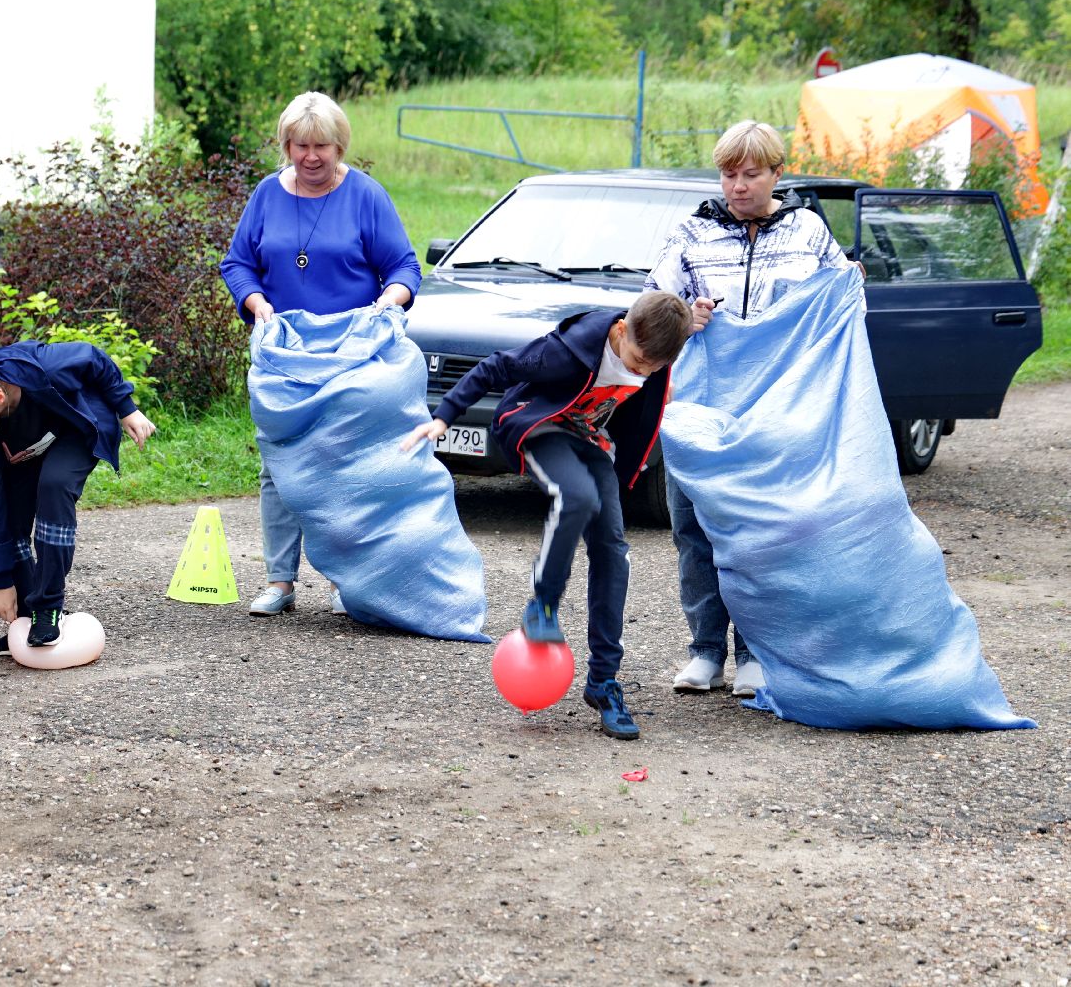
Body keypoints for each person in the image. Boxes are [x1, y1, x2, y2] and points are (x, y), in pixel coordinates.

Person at [400, 290, 694, 739]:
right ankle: (542, 605)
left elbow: (673, 332)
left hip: (590, 438)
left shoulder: (654, 350)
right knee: (576, 497)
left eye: (652, 368)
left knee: (614, 551)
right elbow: (495, 366)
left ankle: (603, 682)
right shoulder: (566, 353)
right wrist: (444, 417)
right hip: (540, 427)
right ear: (620, 331)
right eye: (637, 360)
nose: (641, 372)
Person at [644, 119, 857, 698]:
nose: (738, 185)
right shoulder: (690, 233)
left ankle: (757, 655)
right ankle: (705, 652)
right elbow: (648, 304)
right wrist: (683, 313)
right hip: (697, 409)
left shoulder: (808, 232)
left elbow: (841, 298)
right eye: (728, 174)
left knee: (764, 534)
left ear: (776, 174)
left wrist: (852, 282)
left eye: (751, 174)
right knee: (695, 531)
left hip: (774, 412)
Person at [219, 91, 423, 617]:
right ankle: (279, 582)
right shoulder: (266, 194)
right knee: (278, 467)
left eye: (322, 146)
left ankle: (343, 580)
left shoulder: (366, 195)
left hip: (350, 353)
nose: (310, 157)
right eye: (299, 145)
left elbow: (404, 266)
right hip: (283, 353)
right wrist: (257, 304)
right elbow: (238, 264)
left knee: (342, 464)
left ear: (340, 146)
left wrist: (384, 305)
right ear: (286, 144)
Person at [0, 343, 156, 654]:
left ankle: (48, 606)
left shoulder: (44, 369)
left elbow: (93, 358)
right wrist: (0, 582)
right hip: (31, 446)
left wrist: (126, 408)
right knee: (10, 516)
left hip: (77, 427)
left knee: (54, 486)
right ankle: (26, 617)